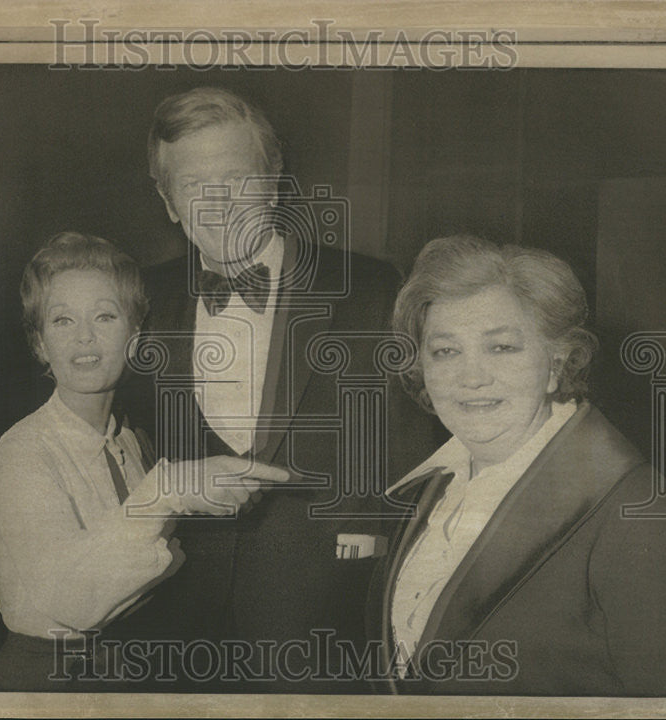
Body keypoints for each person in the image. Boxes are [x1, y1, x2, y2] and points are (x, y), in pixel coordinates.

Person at [115, 86, 435, 692]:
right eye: (191, 184)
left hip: (325, 623)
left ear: (275, 175)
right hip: (170, 627)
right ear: (166, 201)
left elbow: (419, 458)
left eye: (236, 176)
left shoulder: (371, 288)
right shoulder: (138, 302)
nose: (218, 203)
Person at [376, 234, 666, 695]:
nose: (471, 377)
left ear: (557, 362)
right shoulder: (430, 488)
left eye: (502, 348)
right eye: (446, 351)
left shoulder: (634, 506)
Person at [0, 232, 287, 691]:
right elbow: (72, 600)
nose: (84, 336)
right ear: (40, 344)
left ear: (135, 336)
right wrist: (168, 494)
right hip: (46, 683)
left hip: (123, 672)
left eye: (105, 316)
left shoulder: (132, 442)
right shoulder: (22, 452)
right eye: (62, 320)